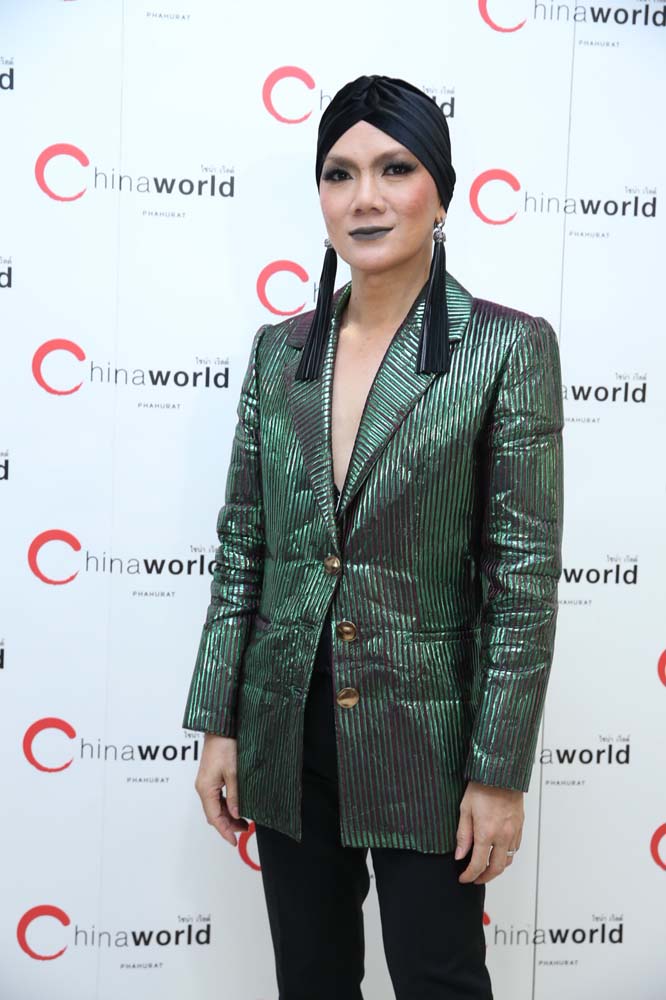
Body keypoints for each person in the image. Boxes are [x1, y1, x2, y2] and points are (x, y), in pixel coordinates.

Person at [182, 74, 564, 1000]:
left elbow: (522, 580)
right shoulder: (280, 352)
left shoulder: (508, 349)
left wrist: (499, 774)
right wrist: (221, 721)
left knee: (439, 979)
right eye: (339, 173)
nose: (365, 197)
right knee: (310, 978)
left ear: (442, 193)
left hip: (428, 737)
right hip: (285, 723)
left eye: (395, 169)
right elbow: (245, 544)